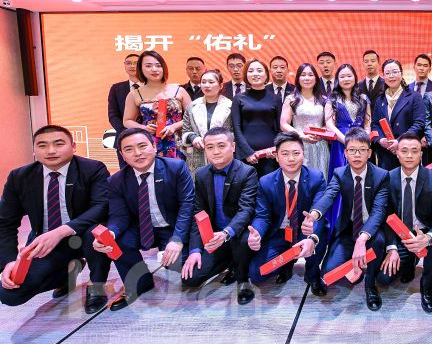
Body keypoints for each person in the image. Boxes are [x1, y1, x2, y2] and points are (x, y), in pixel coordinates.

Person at [0, 125, 111, 313]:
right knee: (10, 294)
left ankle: (97, 285)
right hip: (44, 243)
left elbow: (101, 206)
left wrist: (60, 232)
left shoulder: (92, 169)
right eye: (42, 145)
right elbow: (5, 223)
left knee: (97, 234)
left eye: (59, 144)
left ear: (73, 147)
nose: (51, 151)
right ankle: (67, 273)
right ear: (34, 150)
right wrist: (9, 262)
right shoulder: (19, 177)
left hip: (83, 236)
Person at [92, 128, 195, 311]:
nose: (137, 153)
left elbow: (187, 205)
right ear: (122, 155)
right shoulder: (116, 181)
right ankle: (140, 283)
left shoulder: (176, 167)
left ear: (154, 147)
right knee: (118, 241)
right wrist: (111, 233)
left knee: (189, 272)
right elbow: (119, 215)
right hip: (142, 227)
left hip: (171, 227)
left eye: (142, 146)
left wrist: (177, 239)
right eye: (129, 149)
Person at [306, 128, 389, 311]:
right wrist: (314, 214)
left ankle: (370, 285)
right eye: (352, 150)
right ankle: (355, 268)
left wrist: (362, 239)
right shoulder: (339, 173)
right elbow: (329, 196)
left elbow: (378, 212)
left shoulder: (381, 176)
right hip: (347, 229)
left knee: (378, 242)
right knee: (330, 275)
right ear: (345, 153)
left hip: (370, 230)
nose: (357, 155)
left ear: (369, 153)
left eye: (361, 150)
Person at [181, 127, 258, 304]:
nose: (215, 151)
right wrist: (195, 250)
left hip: (239, 232)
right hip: (214, 235)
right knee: (190, 279)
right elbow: (199, 213)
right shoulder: (201, 174)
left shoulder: (247, 172)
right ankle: (229, 261)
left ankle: (243, 279)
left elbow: (246, 210)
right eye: (210, 147)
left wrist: (226, 233)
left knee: (244, 240)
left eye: (221, 146)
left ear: (233, 146)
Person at [246, 132, 328, 297]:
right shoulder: (266, 181)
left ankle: (312, 275)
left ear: (303, 154)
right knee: (256, 274)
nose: (291, 159)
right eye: (285, 154)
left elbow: (318, 212)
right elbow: (262, 216)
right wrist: (257, 233)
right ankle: (286, 264)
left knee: (317, 235)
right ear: (276, 157)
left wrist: (312, 237)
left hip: (305, 230)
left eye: (296, 153)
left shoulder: (316, 178)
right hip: (280, 233)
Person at [377, 133, 432, 313]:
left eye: (414, 151)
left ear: (421, 154)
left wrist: (428, 238)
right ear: (397, 153)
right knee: (383, 279)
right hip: (399, 234)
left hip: (423, 232)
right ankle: (409, 261)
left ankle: (426, 284)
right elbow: (385, 217)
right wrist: (392, 248)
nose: (409, 155)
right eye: (404, 151)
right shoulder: (387, 178)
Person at [325, 64, 371, 229]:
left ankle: (361, 222)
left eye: (349, 76)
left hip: (361, 143)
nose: (346, 79)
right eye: (342, 76)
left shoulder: (363, 98)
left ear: (355, 77)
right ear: (337, 79)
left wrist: (364, 141)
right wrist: (346, 141)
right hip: (340, 145)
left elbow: (368, 123)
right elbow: (329, 124)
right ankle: (338, 224)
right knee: (341, 181)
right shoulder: (332, 99)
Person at [122, 51, 192, 159]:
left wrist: (174, 126)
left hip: (179, 143)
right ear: (141, 69)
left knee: (179, 168)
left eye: (158, 65)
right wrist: (144, 128)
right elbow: (127, 121)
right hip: (150, 144)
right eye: (148, 66)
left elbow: (193, 116)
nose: (154, 69)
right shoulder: (135, 94)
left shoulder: (179, 90)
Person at [371, 59, 426, 170]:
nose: (391, 76)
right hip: (386, 153)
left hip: (408, 151)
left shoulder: (414, 96)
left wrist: (400, 141)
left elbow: (419, 123)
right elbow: (375, 124)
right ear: (383, 76)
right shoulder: (380, 99)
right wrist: (381, 140)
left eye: (395, 72)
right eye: (387, 73)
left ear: (401, 73)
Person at [231, 59, 281, 177]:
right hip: (245, 155)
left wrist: (275, 149)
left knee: (268, 186)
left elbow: (279, 128)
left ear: (266, 75)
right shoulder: (238, 98)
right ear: (246, 75)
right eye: (251, 71)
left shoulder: (276, 99)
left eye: (259, 70)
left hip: (270, 154)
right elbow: (236, 128)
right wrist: (247, 152)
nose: (255, 74)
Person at [280, 63, 330, 180]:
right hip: (298, 144)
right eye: (303, 75)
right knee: (301, 180)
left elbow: (328, 124)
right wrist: (302, 135)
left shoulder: (324, 100)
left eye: (310, 75)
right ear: (298, 78)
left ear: (316, 79)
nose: (307, 78)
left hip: (320, 145)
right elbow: (283, 124)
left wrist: (320, 133)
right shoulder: (291, 99)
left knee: (320, 178)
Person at [180, 69, 234, 175]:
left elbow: (234, 131)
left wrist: (219, 141)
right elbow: (186, 130)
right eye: (203, 82)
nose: (206, 85)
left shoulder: (230, 105)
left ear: (220, 85)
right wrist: (193, 138)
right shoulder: (192, 106)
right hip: (198, 156)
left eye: (211, 82)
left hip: (222, 154)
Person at [108, 53, 142, 168]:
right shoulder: (116, 88)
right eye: (128, 63)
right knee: (126, 173)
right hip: (124, 138)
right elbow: (113, 115)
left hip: (150, 137)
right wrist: (126, 132)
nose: (132, 66)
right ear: (124, 65)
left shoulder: (152, 87)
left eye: (136, 63)